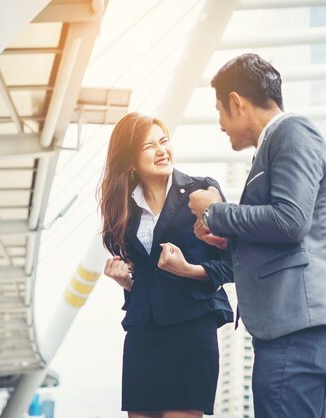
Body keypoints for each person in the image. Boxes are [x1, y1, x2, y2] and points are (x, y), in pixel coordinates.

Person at [188, 53, 326, 418]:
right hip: (296, 321)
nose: (220, 124)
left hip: (298, 321)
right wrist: (227, 240)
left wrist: (214, 212)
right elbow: (289, 228)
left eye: (221, 111)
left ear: (237, 102)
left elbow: (290, 220)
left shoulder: (292, 132)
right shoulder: (278, 142)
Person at [98, 112, 234, 418]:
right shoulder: (124, 210)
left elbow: (234, 263)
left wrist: (189, 269)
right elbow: (147, 279)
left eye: (164, 141)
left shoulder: (202, 191)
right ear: (131, 161)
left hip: (191, 329)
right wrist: (127, 283)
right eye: (149, 146)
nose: (162, 151)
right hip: (143, 334)